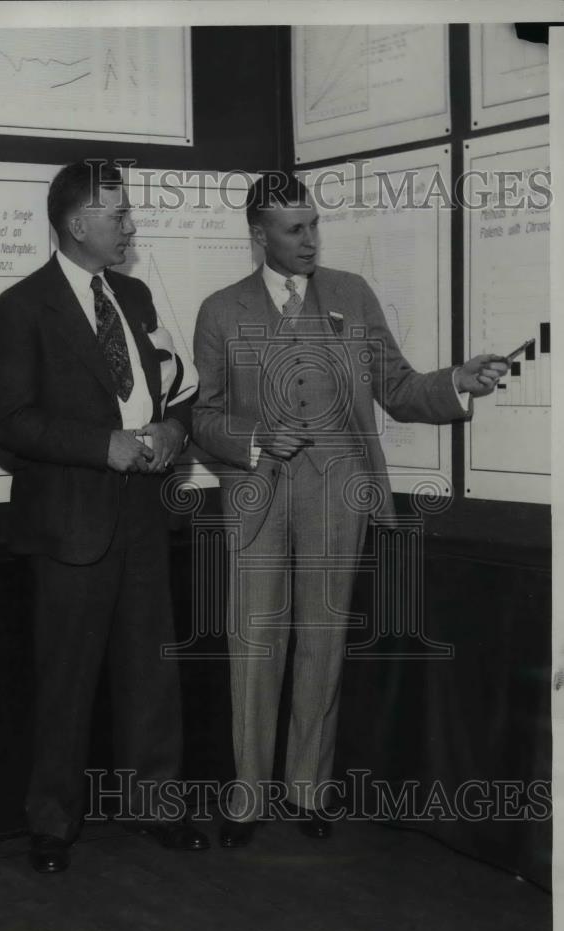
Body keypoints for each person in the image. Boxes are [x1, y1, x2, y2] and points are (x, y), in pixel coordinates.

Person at [192, 171, 508, 848]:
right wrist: (251, 438)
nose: (309, 240)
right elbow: (202, 415)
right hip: (255, 496)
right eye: (293, 229)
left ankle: (307, 787)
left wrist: (457, 380)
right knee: (254, 645)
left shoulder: (351, 296)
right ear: (259, 236)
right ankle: (246, 796)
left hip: (337, 494)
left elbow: (395, 386)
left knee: (323, 642)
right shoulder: (220, 311)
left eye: (313, 225)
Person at [0, 160, 207, 874]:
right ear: (77, 224)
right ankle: (51, 824)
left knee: (151, 673)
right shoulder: (20, 308)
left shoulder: (137, 296)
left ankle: (157, 806)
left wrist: (174, 432)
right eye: (118, 216)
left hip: (144, 516)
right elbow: (12, 422)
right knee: (65, 680)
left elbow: (176, 391)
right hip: (69, 524)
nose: (130, 227)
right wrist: (100, 446)